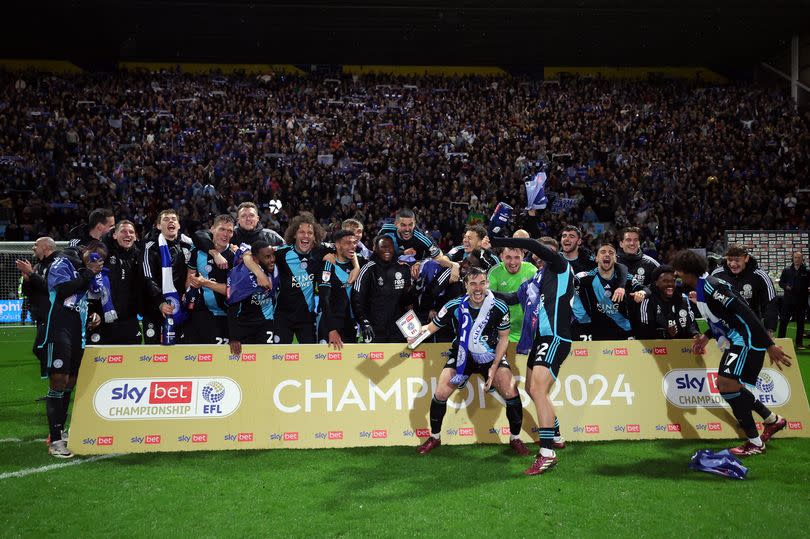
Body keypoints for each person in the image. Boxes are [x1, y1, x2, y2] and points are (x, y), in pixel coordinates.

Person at [672, 249, 791, 456]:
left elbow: (745, 312)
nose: (677, 275)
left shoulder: (711, 286)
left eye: (678, 271)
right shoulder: (701, 288)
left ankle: (755, 443)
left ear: (687, 271)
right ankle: (772, 420)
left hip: (744, 340)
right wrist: (706, 336)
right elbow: (723, 318)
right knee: (729, 386)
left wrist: (768, 344)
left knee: (726, 385)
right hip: (735, 339)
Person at [410, 267, 529, 457]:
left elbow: (503, 339)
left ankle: (515, 438)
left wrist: (495, 366)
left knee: (511, 391)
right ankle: (435, 437)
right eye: (473, 284)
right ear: (465, 286)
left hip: (490, 356)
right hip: (461, 356)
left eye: (482, 283)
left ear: (488, 284)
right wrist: (415, 335)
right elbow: (431, 328)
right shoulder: (453, 305)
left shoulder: (499, 307)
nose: (478, 288)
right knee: (440, 393)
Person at [488, 235, 575, 476]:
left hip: (555, 337)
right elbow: (511, 298)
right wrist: (485, 291)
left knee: (538, 391)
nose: (542, 253)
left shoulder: (559, 266)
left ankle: (547, 453)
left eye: (547, 250)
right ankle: (555, 435)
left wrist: (501, 239)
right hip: (540, 340)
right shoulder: (535, 279)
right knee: (532, 390)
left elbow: (536, 246)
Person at [40, 241, 107, 458]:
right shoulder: (64, 261)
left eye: (101, 257)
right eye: (94, 254)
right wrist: (88, 272)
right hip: (60, 326)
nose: (97, 259)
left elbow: (87, 296)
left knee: (70, 382)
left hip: (79, 328)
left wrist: (93, 313)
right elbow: (62, 291)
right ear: (84, 250)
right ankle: (55, 440)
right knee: (58, 380)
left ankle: (59, 430)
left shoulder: (88, 272)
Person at [270, 212, 328, 344]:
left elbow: (345, 248)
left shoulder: (321, 251)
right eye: (301, 232)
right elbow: (252, 254)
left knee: (309, 359)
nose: (306, 235)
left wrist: (356, 266)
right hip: (283, 316)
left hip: (307, 317)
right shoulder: (281, 253)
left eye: (310, 233)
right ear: (294, 234)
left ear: (315, 237)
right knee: (279, 357)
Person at [141, 209, 194, 344]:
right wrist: (160, 302)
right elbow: (148, 277)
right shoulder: (150, 247)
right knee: (157, 355)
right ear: (158, 226)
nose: (170, 221)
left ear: (179, 225)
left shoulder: (189, 245)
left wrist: (188, 294)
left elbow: (194, 273)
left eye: (173, 219)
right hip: (157, 310)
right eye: (166, 219)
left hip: (184, 308)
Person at [87, 221, 144, 345]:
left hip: (129, 320)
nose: (127, 235)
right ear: (114, 235)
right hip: (103, 319)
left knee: (131, 361)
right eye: (123, 231)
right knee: (96, 362)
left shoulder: (141, 257)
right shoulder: (104, 254)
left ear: (135, 236)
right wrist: (92, 310)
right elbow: (91, 284)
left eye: (131, 232)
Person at [183, 215, 235, 345]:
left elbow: (233, 291)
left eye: (229, 231)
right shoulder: (198, 252)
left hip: (226, 315)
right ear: (212, 229)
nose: (225, 234)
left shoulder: (235, 256)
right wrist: (189, 290)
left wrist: (205, 283)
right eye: (222, 229)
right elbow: (190, 276)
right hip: (201, 314)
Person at [351, 235, 414, 343]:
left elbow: (406, 301)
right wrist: (364, 322)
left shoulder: (403, 269)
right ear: (375, 248)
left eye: (390, 247)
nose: (387, 250)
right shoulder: (368, 269)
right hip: (374, 329)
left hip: (397, 330)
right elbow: (357, 299)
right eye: (383, 247)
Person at [574, 244, 642, 341]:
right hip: (594, 331)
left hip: (624, 330)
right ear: (596, 258)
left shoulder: (626, 278)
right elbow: (571, 296)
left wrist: (641, 293)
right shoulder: (582, 278)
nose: (607, 255)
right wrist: (583, 319)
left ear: (615, 259)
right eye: (603, 252)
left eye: (611, 253)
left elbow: (644, 289)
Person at [711, 244, 778, 335]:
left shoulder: (760, 276)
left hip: (752, 329)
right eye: (730, 260)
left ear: (746, 258)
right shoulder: (717, 275)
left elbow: (770, 303)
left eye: (737, 260)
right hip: (726, 330)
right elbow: (711, 303)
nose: (733, 264)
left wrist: (769, 328)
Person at [17, 237, 59, 378]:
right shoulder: (38, 266)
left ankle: (60, 376)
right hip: (41, 315)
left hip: (52, 315)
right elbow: (27, 292)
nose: (33, 247)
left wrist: (31, 274)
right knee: (43, 349)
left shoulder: (57, 263)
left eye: (36, 245)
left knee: (40, 348)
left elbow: (50, 288)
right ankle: (52, 385)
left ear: (46, 248)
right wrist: (27, 279)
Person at [227, 241, 279, 355]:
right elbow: (233, 307)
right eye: (267, 257)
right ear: (255, 260)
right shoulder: (242, 276)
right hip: (244, 325)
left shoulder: (274, 269)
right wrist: (234, 336)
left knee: (266, 358)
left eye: (272, 255)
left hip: (266, 322)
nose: (272, 260)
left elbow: (245, 250)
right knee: (246, 363)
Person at [317, 229, 361, 349]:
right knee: (326, 365)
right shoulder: (328, 264)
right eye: (347, 243)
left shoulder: (359, 262)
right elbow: (324, 299)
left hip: (350, 324)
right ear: (337, 245)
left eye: (354, 243)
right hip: (330, 324)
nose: (352, 246)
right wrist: (331, 329)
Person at [632, 265, 699, 339]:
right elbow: (643, 331)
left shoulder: (683, 299)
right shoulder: (647, 301)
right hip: (654, 348)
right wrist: (664, 333)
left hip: (681, 347)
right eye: (665, 281)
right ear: (656, 283)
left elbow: (691, 325)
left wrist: (695, 334)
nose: (670, 284)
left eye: (673, 281)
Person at [488, 246, 537, 343]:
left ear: (523, 256)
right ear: (501, 257)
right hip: (503, 332)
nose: (512, 262)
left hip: (529, 331)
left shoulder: (532, 271)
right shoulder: (495, 272)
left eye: (516, 257)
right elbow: (489, 299)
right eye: (508, 257)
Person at [778, 252, 809, 349]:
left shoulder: (807, 271)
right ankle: (780, 341)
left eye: (799, 258)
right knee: (783, 321)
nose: (797, 259)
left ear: (802, 259)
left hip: (801, 301)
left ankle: (799, 343)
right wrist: (785, 286)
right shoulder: (787, 270)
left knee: (800, 323)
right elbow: (781, 282)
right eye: (795, 257)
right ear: (793, 258)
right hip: (788, 301)